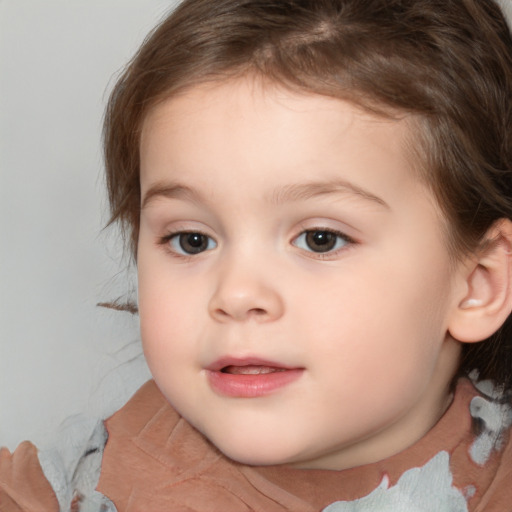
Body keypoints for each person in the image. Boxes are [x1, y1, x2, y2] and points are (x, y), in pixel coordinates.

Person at [2, 0, 512, 510]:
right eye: (192, 240)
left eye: (320, 239)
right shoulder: (65, 490)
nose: (237, 293)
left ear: (478, 284)